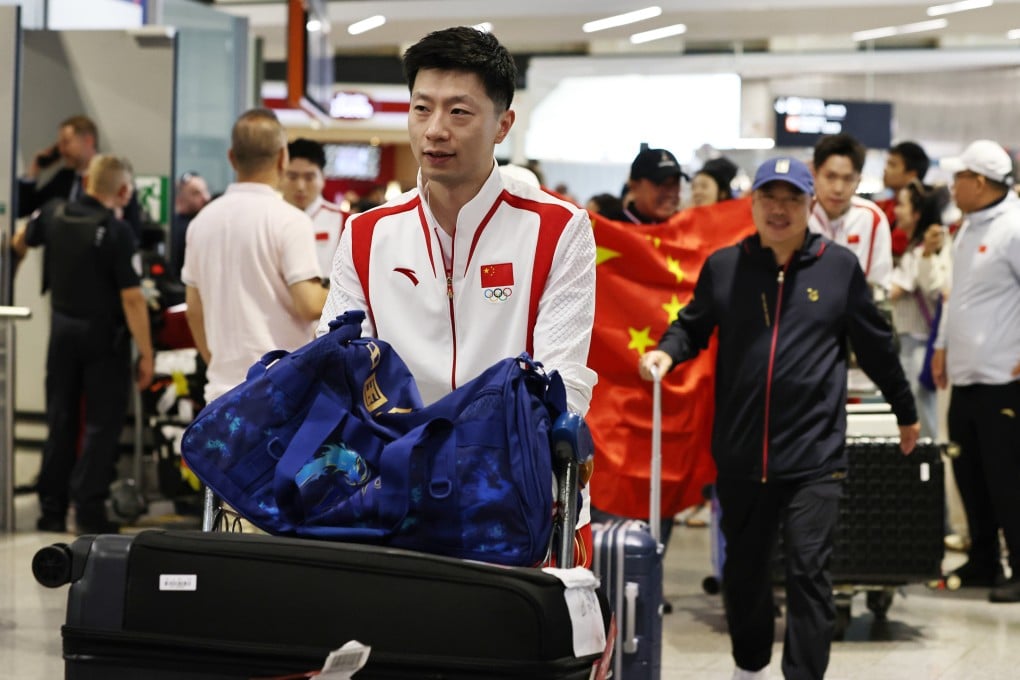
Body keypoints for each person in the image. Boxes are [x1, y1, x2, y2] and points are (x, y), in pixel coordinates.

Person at [316, 26, 597, 565]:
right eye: (422, 109)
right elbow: (341, 364)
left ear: (502, 125)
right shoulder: (368, 233)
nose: (435, 131)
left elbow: (563, 384)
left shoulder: (559, 229)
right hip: (393, 496)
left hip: (519, 500)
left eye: (459, 113)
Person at [639, 156, 919, 680]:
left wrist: (906, 412)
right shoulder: (726, 267)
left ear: (811, 205)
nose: (780, 209)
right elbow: (692, 325)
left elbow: (876, 348)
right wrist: (667, 352)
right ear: (753, 203)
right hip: (742, 457)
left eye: (792, 198)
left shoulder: (838, 269)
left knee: (809, 572)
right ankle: (749, 667)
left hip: (814, 457)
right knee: (743, 574)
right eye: (770, 197)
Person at [12, 155, 155, 534]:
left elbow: (17, 242)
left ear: (88, 182)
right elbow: (133, 298)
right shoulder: (117, 230)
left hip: (61, 331)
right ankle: (88, 510)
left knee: (60, 419)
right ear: (123, 191)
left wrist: (9, 282)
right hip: (104, 338)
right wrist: (147, 353)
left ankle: (51, 509)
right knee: (99, 425)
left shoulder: (54, 214)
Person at [182, 109, 327, 404]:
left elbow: (193, 310)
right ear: (282, 158)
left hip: (222, 395)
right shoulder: (290, 220)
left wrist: (218, 364)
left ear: (232, 158)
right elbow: (308, 304)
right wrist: (348, 289)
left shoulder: (201, 222)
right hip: (283, 392)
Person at [931, 139, 1020, 603]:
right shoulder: (965, 228)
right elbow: (958, 292)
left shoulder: (1014, 227)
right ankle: (983, 559)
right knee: (970, 473)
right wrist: (942, 344)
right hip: (965, 376)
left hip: (1003, 379)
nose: (953, 185)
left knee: (1009, 481)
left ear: (979, 183)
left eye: (959, 177)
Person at [889, 180, 951, 439]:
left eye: (901, 206)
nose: (896, 211)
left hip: (921, 347)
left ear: (917, 213)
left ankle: (930, 473)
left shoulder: (924, 252)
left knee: (924, 418)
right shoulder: (915, 250)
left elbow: (894, 291)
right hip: (912, 346)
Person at [809, 133, 893, 292]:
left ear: (859, 181)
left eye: (848, 179)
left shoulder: (872, 218)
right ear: (815, 174)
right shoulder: (800, 216)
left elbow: (880, 284)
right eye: (830, 177)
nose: (838, 189)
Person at [280, 138, 347, 281]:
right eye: (292, 177)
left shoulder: (346, 222)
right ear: (280, 176)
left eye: (309, 178)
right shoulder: (268, 218)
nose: (300, 186)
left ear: (322, 178)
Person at [620, 147, 685, 224]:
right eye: (661, 183)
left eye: (675, 183)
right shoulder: (613, 230)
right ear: (634, 186)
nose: (670, 193)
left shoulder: (686, 227)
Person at [169, 171, 211, 279]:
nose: (206, 197)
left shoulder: (208, 223)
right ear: (180, 198)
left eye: (205, 191)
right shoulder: (176, 229)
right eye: (196, 193)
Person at [881, 141, 931, 227]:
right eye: (887, 164)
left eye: (892, 165)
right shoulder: (883, 206)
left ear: (912, 175)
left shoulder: (923, 218)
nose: (885, 169)